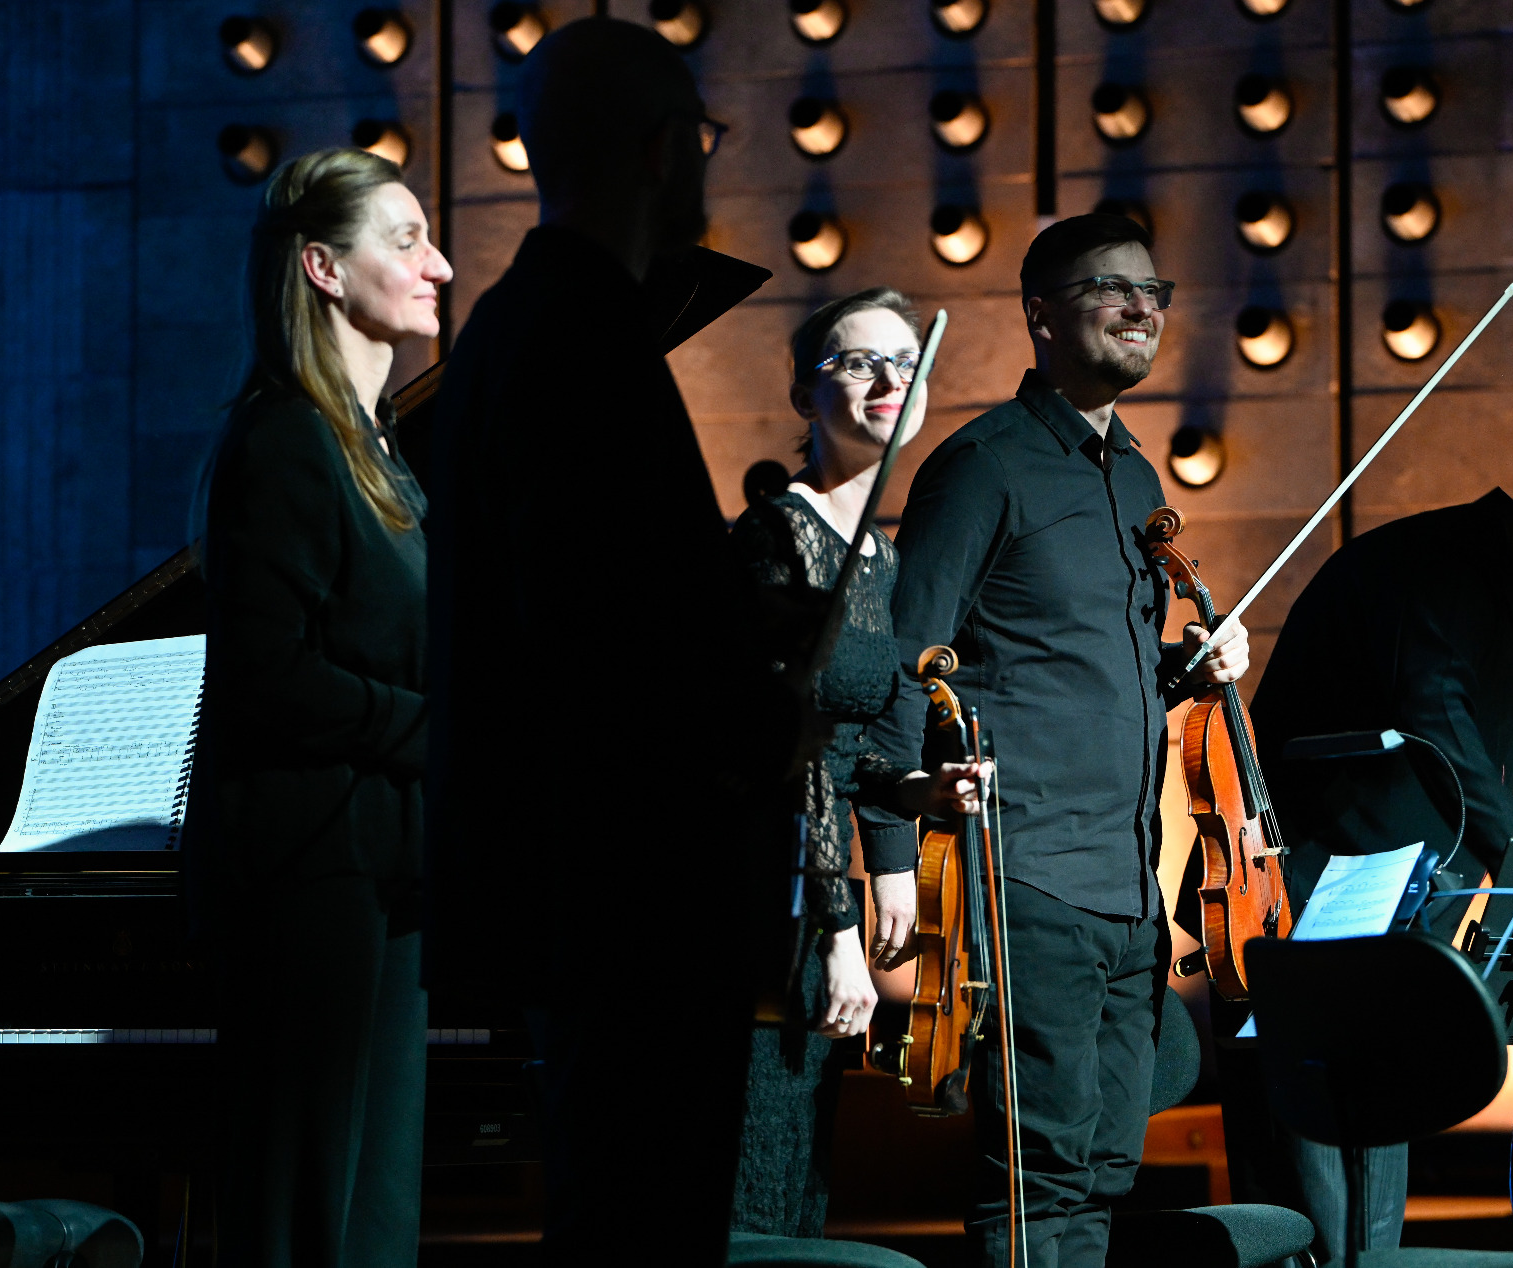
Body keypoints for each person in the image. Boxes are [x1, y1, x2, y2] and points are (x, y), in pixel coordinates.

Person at [422, 17, 810, 1263]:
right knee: (642, 1216)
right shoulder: (583, 336)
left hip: (574, 883)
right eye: (702, 136)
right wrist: (765, 692)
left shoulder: (508, 326)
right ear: (661, 148)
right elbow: (621, 637)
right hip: (635, 887)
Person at [1215, 416, 1513, 1261]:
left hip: (1394, 911)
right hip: (1311, 901)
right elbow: (1438, 720)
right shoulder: (1435, 563)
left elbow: (1502, 728)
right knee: (1315, 1202)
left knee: (1371, 1201)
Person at [858, 213, 1252, 1267]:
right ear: (1040, 313)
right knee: (1036, 1177)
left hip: (1130, 885)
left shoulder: (1137, 479)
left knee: (1106, 1170)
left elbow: (1092, 669)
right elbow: (905, 663)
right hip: (1027, 872)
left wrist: (1191, 667)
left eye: (1152, 291)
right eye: (1110, 290)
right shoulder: (981, 466)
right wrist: (891, 857)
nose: (1141, 309)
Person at [185, 146, 452, 1266]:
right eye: (407, 240)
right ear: (323, 268)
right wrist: (441, 733)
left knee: (372, 1216)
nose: (440, 265)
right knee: (309, 1217)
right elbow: (269, 674)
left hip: (382, 865)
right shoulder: (288, 436)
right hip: (309, 872)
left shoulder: (376, 448)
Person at [728, 286, 988, 1237]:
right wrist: (840, 928)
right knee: (755, 1181)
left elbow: (851, 751)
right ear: (805, 396)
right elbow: (779, 745)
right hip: (768, 895)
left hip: (816, 888)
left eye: (905, 361)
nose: (888, 376)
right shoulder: (775, 534)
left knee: (805, 1183)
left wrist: (920, 787)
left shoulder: (876, 554)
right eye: (857, 360)